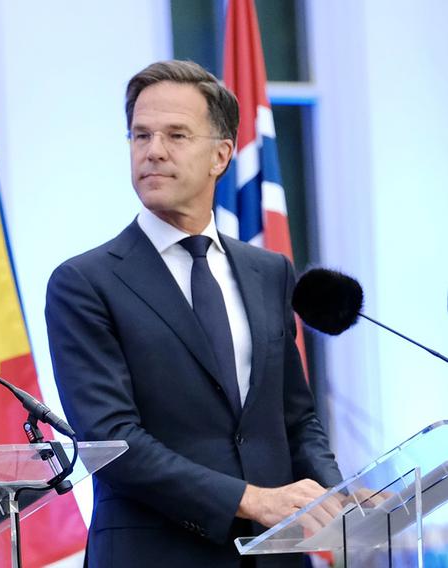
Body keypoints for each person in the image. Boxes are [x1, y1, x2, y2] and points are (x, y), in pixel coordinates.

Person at [45, 60, 342, 567]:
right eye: (141, 135)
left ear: (221, 156)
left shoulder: (269, 271)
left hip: (275, 555)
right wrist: (249, 499)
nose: (153, 151)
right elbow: (112, 440)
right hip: (154, 553)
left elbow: (294, 416)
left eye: (176, 135)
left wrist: (342, 497)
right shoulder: (84, 283)